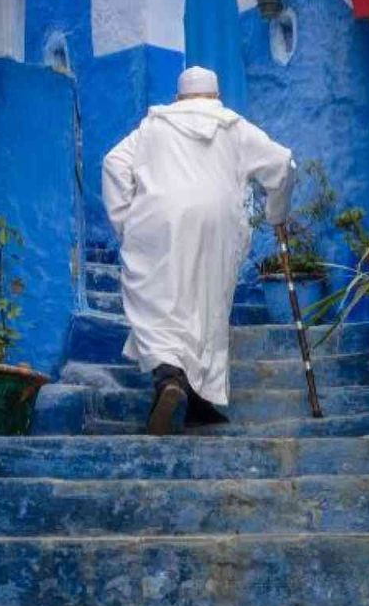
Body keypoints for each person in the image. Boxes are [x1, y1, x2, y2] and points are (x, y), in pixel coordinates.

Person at [101, 66, 296, 436]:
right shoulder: (233, 126)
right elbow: (282, 163)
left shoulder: (155, 125)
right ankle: (198, 396)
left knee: (158, 298)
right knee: (207, 304)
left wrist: (125, 220)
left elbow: (113, 162)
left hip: (159, 218)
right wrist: (276, 212)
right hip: (217, 220)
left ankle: (169, 376)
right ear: (215, 96)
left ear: (179, 98)